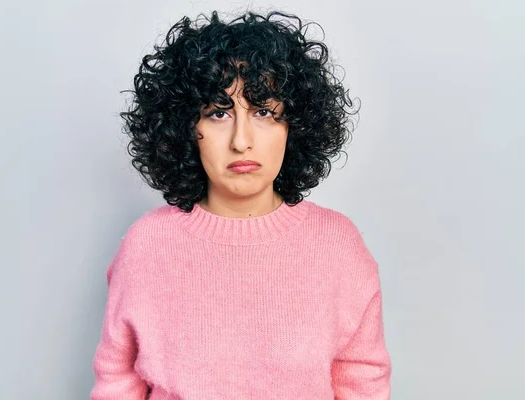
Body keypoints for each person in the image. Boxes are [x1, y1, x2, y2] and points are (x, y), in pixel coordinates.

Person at [90, 10, 391, 400]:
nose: (241, 140)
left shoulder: (337, 245)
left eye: (264, 111)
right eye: (218, 113)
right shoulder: (147, 245)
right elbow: (117, 382)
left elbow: (362, 380)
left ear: (294, 125)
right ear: (185, 128)